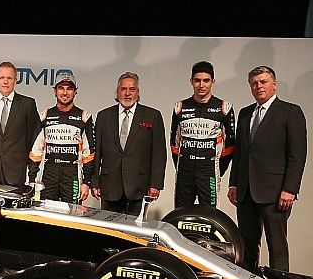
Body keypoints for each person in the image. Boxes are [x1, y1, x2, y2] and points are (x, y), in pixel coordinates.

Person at [227, 66, 307, 272]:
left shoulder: (290, 111)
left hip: (275, 192)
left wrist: (290, 189)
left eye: (263, 82)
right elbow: (240, 154)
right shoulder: (245, 114)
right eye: (254, 83)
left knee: (277, 246)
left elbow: (297, 156)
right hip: (245, 192)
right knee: (247, 245)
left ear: (274, 85)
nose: (258, 86)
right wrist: (234, 183)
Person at [91, 72, 167, 214]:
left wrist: (155, 184)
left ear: (138, 92)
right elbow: (97, 152)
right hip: (110, 186)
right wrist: (94, 182)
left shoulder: (153, 116)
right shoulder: (104, 116)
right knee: (109, 232)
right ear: (117, 92)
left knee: (134, 232)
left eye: (132, 89)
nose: (127, 93)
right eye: (123, 89)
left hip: (139, 187)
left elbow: (159, 154)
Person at [170, 61, 236, 207]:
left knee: (211, 214)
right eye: (197, 80)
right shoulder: (179, 107)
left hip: (209, 171)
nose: (201, 85)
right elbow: (174, 143)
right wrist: (181, 164)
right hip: (184, 171)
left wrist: (218, 168)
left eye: (206, 80)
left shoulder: (224, 107)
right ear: (191, 81)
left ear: (213, 82)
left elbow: (230, 145)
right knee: (181, 212)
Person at [28, 72, 95, 203]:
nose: (65, 93)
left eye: (69, 88)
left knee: (72, 215)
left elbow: (89, 154)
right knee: (46, 213)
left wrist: (86, 182)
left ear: (75, 92)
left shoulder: (84, 117)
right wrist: (31, 179)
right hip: (49, 172)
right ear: (55, 91)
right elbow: (36, 151)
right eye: (61, 88)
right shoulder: (45, 115)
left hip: (72, 174)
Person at [0, 61, 40, 186]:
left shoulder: (27, 104)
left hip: (15, 170)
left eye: (9, 78)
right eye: (2, 78)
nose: (5, 82)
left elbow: (32, 136)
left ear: (15, 80)